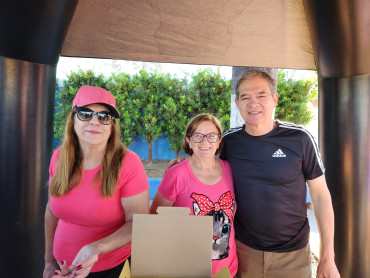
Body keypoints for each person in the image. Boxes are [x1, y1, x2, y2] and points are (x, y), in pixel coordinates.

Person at [220, 69, 340, 278]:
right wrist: (182, 166)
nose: (253, 103)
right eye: (245, 97)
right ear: (237, 104)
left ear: (275, 99)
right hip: (244, 252)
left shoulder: (300, 139)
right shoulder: (229, 142)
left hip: (293, 256)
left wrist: (328, 257)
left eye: (261, 96)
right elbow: (207, 172)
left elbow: (321, 196)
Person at [43, 85, 149, 278]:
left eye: (104, 117)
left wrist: (97, 247)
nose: (95, 122)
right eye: (85, 113)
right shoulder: (59, 157)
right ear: (73, 118)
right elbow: (51, 211)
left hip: (112, 270)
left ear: (112, 126)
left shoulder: (128, 163)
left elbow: (138, 223)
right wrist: (49, 261)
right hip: (62, 268)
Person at [150, 113, 238, 277]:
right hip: (187, 270)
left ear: (219, 140)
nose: (205, 142)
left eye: (211, 136)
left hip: (227, 270)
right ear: (189, 140)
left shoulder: (229, 169)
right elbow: (154, 219)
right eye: (198, 136)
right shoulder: (176, 174)